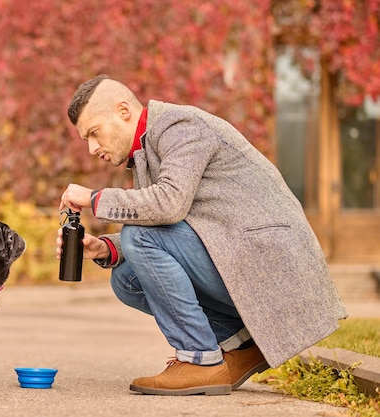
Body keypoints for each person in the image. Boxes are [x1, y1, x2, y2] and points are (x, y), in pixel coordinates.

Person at [57, 74, 347, 396]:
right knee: (126, 278)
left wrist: (95, 198)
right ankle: (240, 344)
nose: (92, 147)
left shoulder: (180, 126)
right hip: (240, 260)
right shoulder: (146, 150)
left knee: (139, 237)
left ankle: (200, 360)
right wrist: (104, 248)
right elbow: (168, 228)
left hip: (275, 274)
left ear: (123, 111)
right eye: (86, 140)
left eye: (94, 133)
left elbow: (168, 205)